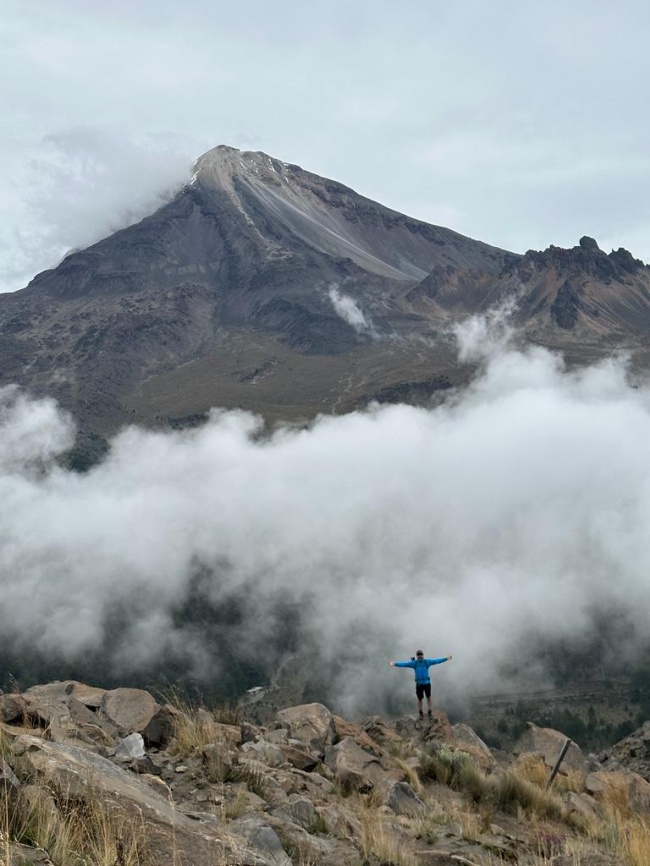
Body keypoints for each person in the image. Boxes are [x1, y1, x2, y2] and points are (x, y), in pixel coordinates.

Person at [389, 650, 452, 719]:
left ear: (423, 655)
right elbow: (404, 664)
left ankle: (429, 712)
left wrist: (446, 658)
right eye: (418, 655)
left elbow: (437, 661)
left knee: (428, 697)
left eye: (421, 654)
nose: (420, 656)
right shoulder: (414, 663)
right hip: (419, 684)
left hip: (427, 683)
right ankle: (421, 713)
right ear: (417, 656)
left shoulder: (427, 662)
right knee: (420, 699)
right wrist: (395, 664)